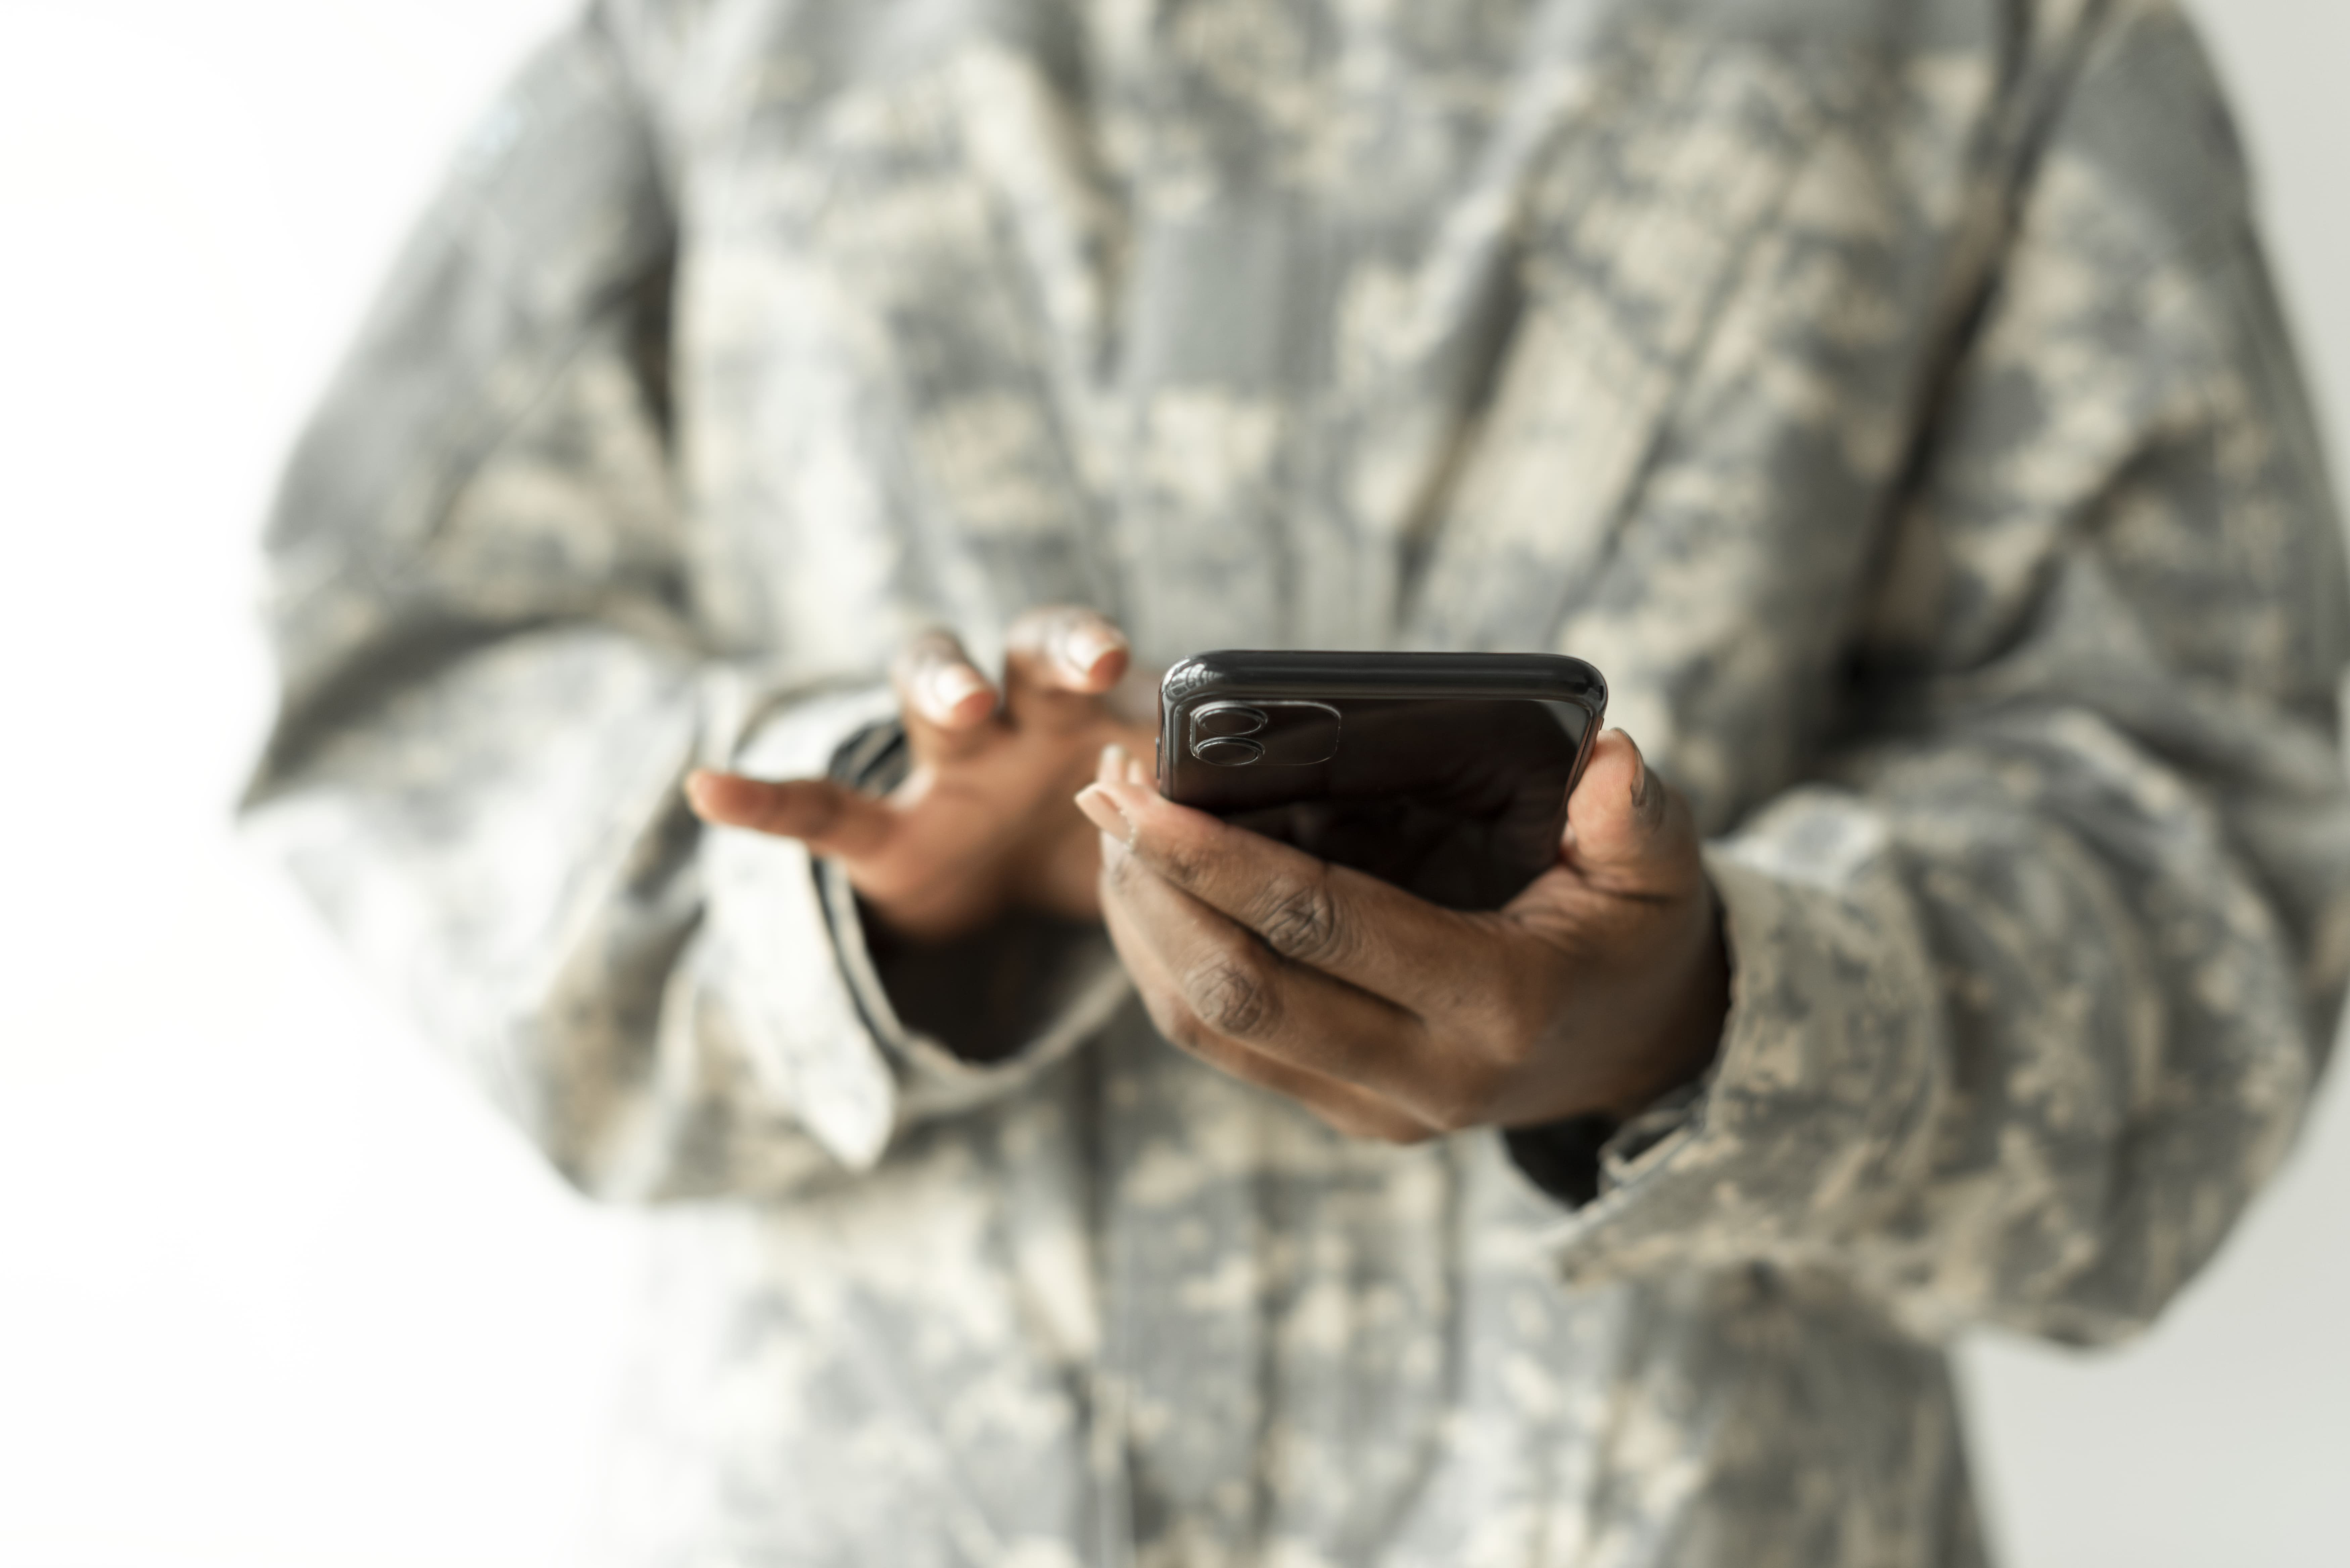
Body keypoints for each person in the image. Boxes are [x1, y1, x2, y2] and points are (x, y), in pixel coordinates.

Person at [241, 0, 2350, 1561]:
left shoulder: (2001, 39)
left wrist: (1720, 1019)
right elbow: (410, 681)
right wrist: (870, 878)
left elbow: (2213, 848)